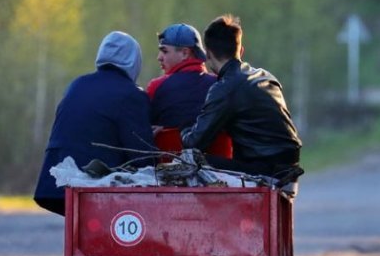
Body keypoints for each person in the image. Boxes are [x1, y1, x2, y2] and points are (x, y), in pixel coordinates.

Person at [34, 31, 156, 216]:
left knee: (78, 240)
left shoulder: (78, 84)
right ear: (134, 62)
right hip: (94, 186)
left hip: (56, 182)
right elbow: (142, 156)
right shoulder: (131, 95)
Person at [181, 15, 302, 179]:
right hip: (290, 163)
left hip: (264, 169)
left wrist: (183, 129)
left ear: (208, 54)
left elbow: (194, 142)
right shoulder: (264, 76)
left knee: (190, 160)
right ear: (240, 50)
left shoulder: (225, 88)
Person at [146, 23, 232, 158]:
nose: (159, 57)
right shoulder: (223, 85)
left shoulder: (157, 87)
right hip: (222, 171)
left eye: (164, 51)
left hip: (170, 170)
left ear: (185, 53)